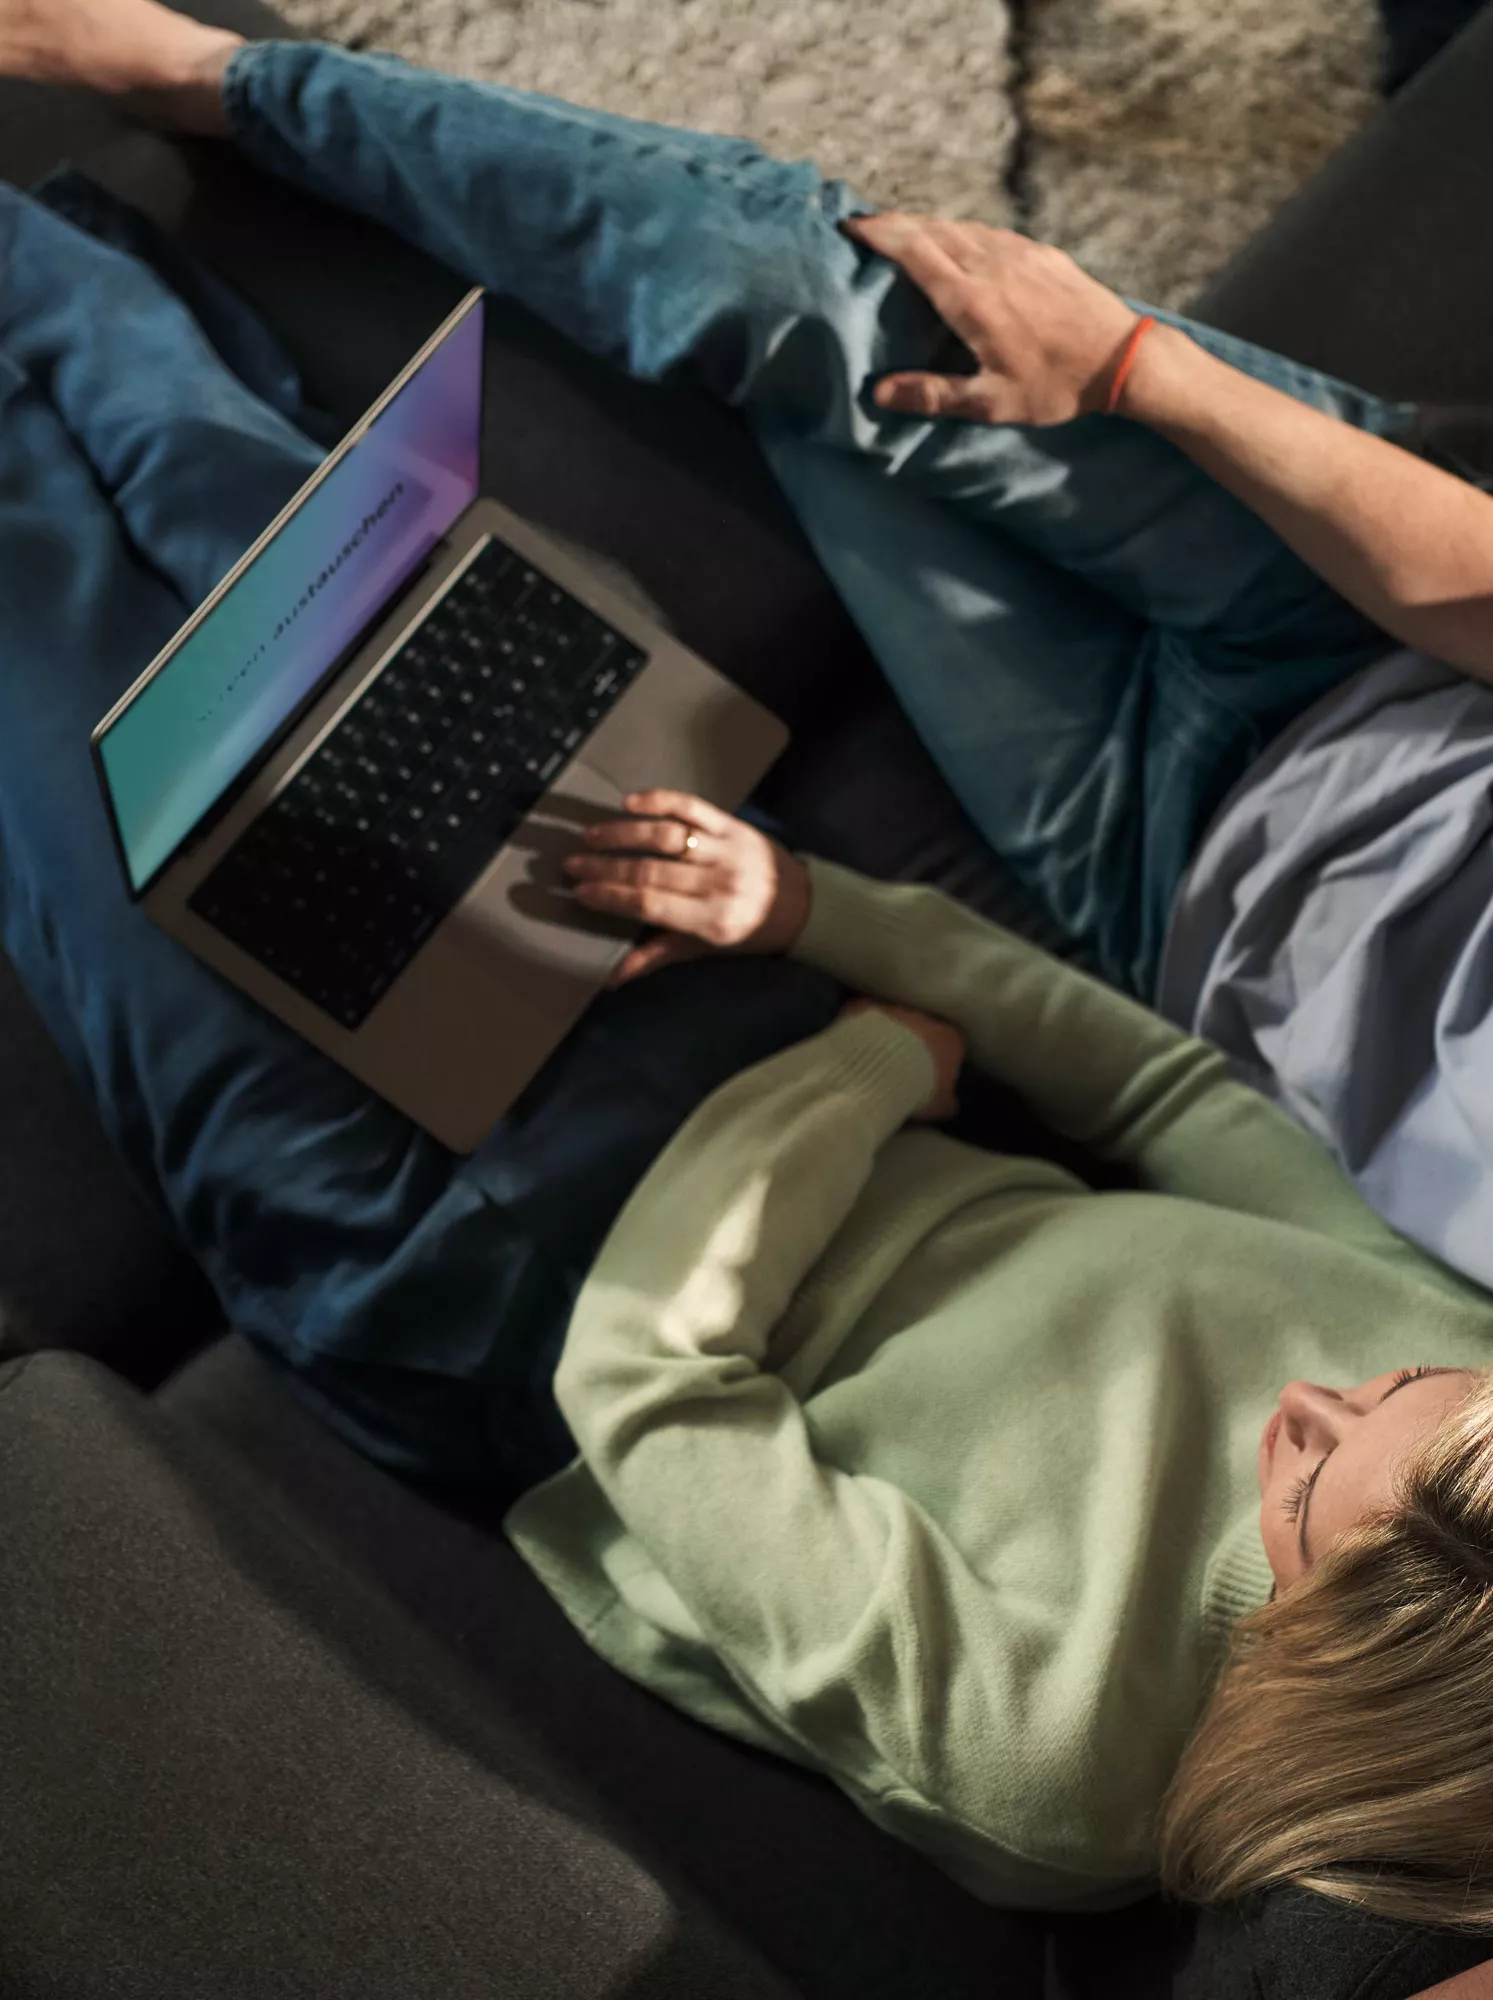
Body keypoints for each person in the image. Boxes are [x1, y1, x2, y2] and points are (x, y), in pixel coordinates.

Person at [6, 0, 1493, 1932]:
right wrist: (796, 911)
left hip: (479, 1288)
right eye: (1385, 1387)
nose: (1308, 1402)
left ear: (1325, 1705)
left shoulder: (1053, 1767)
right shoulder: (1459, 1387)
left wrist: (873, 1060)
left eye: (1308, 1490)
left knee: (74, 737)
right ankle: (56, 214)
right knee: (316, 563)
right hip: (778, 1049)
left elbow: (654, 1390)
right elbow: (1165, 1096)